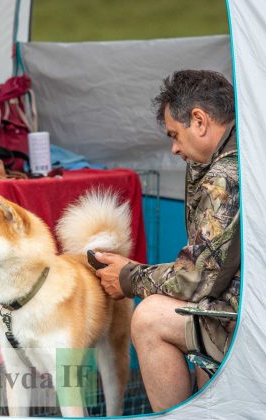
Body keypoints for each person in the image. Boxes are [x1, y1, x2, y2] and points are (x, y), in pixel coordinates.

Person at [95, 69, 240, 412]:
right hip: (260, 309)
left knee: (151, 317)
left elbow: (196, 279)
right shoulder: (234, 153)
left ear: (200, 120)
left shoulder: (226, 177)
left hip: (255, 321)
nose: (174, 148)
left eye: (175, 134)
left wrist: (129, 277)